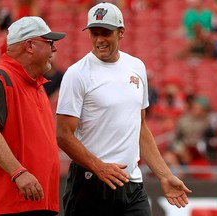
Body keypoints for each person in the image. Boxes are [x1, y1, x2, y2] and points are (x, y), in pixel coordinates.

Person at [56, 2, 192, 216]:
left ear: (121, 33)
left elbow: (141, 127)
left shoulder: (137, 67)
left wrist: (165, 175)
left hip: (131, 183)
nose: (99, 39)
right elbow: (63, 135)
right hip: (90, 184)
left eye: (106, 33)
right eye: (94, 32)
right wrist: (100, 167)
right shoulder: (77, 74)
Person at [0, 16, 65, 216]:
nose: (54, 49)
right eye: (49, 42)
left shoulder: (36, 85)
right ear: (30, 46)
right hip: (5, 204)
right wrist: (19, 172)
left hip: (32, 202)